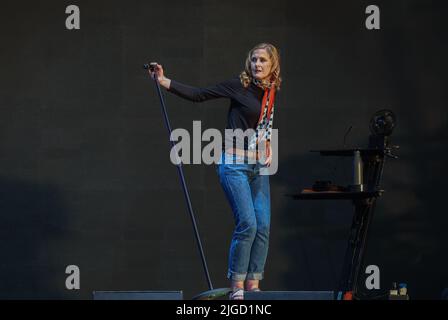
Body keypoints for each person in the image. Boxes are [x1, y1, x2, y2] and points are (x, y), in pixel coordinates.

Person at [149, 43, 281, 300]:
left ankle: (254, 285)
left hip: (258, 167)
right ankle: (237, 287)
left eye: (263, 60)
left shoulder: (271, 89)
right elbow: (199, 94)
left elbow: (263, 123)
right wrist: (164, 80)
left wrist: (268, 145)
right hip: (234, 164)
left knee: (263, 226)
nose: (257, 64)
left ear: (272, 65)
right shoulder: (238, 85)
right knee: (248, 224)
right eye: (254, 59)